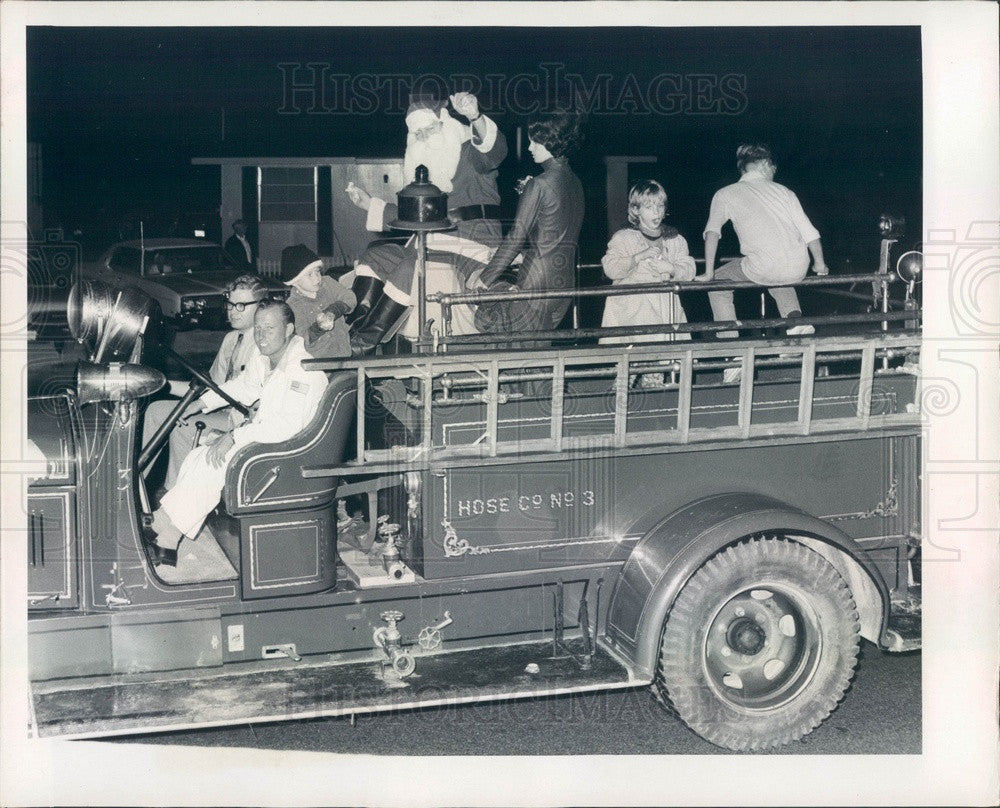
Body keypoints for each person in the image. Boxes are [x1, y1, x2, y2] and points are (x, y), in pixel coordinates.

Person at [145, 300, 328, 566]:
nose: (262, 335)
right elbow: (243, 387)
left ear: (288, 330)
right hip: (267, 441)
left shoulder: (303, 369)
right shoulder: (266, 358)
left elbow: (286, 427)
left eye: (270, 327)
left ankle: (168, 540)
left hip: (289, 452)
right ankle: (162, 523)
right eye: (258, 328)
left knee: (213, 462)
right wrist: (201, 403)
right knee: (199, 455)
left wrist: (234, 437)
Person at [344, 92, 508, 353]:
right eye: (416, 134)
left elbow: (495, 151)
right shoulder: (428, 177)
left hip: (472, 241)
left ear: (444, 122)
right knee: (374, 257)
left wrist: (475, 117)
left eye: (428, 129)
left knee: (411, 263)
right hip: (431, 240)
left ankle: (363, 342)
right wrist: (369, 204)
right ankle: (349, 326)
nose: (422, 139)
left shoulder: (468, 151)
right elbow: (415, 215)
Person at [141, 273, 267, 491]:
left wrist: (195, 406)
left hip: (240, 419)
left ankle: (177, 492)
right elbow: (210, 387)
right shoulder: (231, 339)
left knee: (182, 424)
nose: (232, 311)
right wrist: (160, 383)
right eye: (230, 304)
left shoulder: (263, 342)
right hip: (221, 410)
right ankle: (138, 482)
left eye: (241, 306)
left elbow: (247, 393)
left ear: (261, 306)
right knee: (156, 410)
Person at [698, 142, 829, 339]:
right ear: (765, 165)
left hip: (764, 267)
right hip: (798, 267)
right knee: (777, 272)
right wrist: (820, 264)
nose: (775, 171)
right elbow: (810, 233)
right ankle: (794, 319)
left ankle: (731, 348)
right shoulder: (785, 192)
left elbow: (712, 233)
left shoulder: (725, 193)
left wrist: (708, 272)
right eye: (773, 167)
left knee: (717, 283)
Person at [472, 110, 585, 336]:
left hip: (535, 282)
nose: (529, 147)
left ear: (550, 141)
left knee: (485, 323)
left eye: (534, 141)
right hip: (565, 285)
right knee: (537, 356)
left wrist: (484, 279)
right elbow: (554, 235)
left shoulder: (540, 184)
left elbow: (516, 237)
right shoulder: (576, 182)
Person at [600, 179, 697, 345]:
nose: (656, 213)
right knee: (639, 358)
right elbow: (610, 269)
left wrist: (671, 268)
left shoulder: (675, 239)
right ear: (636, 210)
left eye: (660, 206)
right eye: (649, 207)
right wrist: (637, 258)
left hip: (666, 308)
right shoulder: (623, 238)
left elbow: (689, 270)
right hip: (632, 312)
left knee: (666, 359)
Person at [280, 244, 356, 358]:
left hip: (344, 354)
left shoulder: (328, 283)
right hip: (316, 362)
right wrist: (319, 328)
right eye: (309, 275)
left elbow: (350, 298)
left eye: (317, 272)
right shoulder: (292, 305)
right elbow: (303, 339)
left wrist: (334, 311)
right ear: (295, 281)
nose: (317, 278)